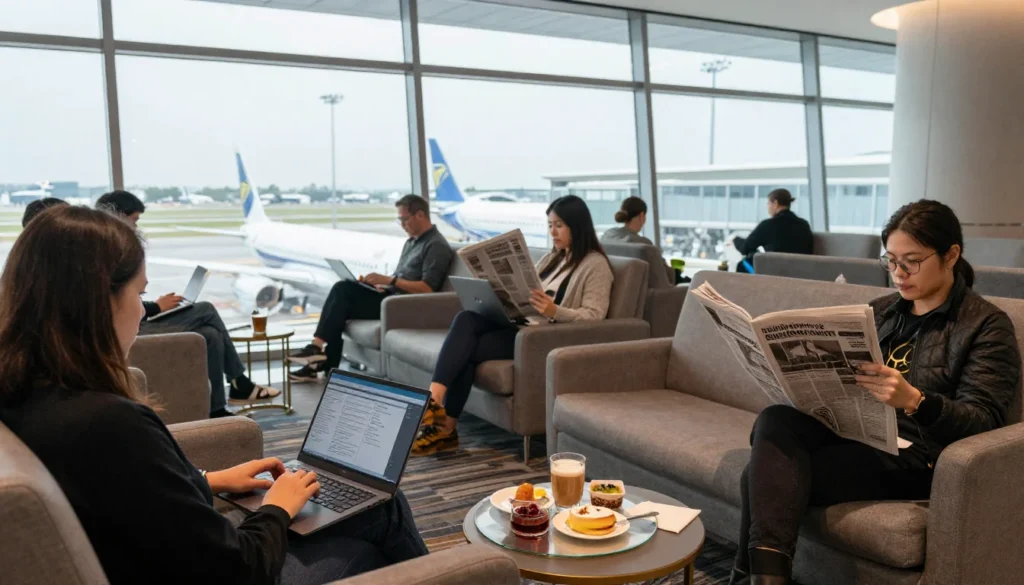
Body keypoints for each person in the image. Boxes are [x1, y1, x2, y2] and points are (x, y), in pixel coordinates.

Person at [0, 206, 429, 585]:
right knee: (381, 510)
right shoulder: (110, 423)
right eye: (140, 293)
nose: (143, 310)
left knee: (349, 517)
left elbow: (127, 494)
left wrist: (208, 480)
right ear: (99, 302)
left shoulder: (28, 395)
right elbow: (239, 570)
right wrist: (277, 508)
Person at [729, 199, 1021, 585]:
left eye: (911, 262)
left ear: (951, 255)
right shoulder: (883, 311)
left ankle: (749, 577)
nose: (898, 274)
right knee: (775, 419)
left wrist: (916, 401)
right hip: (863, 435)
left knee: (761, 473)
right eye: (891, 261)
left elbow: (984, 420)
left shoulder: (985, 326)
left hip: (918, 457)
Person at [413, 195, 613, 455]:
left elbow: (594, 316)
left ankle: (443, 424)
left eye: (559, 225)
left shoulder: (596, 265)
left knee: (465, 351)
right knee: (466, 319)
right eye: (550, 225)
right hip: (522, 327)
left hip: (542, 339)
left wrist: (555, 311)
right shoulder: (552, 258)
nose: (553, 232)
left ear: (578, 225)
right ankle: (438, 407)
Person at [97, 190, 277, 416]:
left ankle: (216, 409)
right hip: (136, 329)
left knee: (210, 334)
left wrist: (156, 305)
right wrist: (156, 307)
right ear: (117, 218)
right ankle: (240, 381)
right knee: (206, 309)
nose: (136, 227)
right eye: (134, 220)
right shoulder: (107, 257)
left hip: (139, 321)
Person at [288, 194, 454, 382]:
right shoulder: (411, 242)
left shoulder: (436, 245)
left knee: (343, 291)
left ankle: (317, 351)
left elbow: (427, 289)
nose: (402, 225)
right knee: (341, 298)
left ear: (420, 215)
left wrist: (390, 281)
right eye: (399, 220)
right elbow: (402, 278)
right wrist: (381, 285)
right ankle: (321, 362)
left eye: (404, 219)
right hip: (390, 297)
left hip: (404, 306)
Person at [601, 196, 685, 284]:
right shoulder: (643, 245)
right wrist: (676, 272)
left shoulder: (607, 235)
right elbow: (665, 275)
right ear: (642, 216)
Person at [731, 188, 813, 273]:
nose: (768, 207)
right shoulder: (804, 224)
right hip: (802, 272)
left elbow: (745, 248)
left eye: (768, 203)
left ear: (775, 203)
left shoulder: (768, 225)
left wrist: (734, 239)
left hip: (776, 273)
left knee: (744, 263)